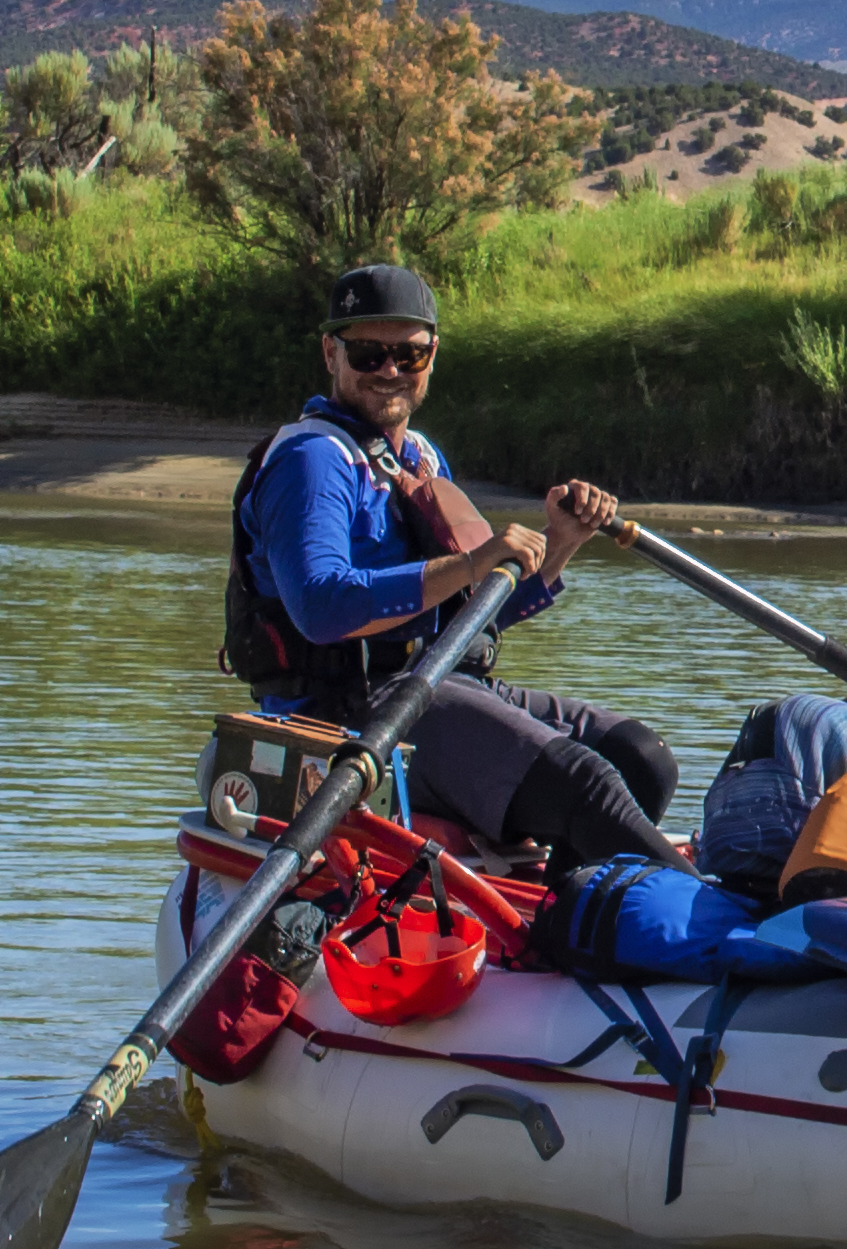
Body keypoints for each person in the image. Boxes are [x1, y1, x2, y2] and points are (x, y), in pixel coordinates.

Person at [224, 263, 681, 874]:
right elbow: (321, 608)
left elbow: (472, 619)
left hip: (436, 686)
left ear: (432, 356)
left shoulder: (420, 456)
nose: (389, 370)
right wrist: (472, 561)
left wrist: (561, 541)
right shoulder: (312, 461)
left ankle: (576, 910)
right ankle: (708, 915)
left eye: (408, 355)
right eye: (368, 352)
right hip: (353, 709)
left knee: (643, 758)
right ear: (331, 353)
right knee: (586, 785)